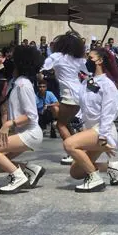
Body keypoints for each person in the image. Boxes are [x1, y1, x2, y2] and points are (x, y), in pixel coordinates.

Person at [63, 48, 118, 192]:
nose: (86, 61)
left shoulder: (108, 85)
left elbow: (108, 113)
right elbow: (84, 108)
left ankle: (95, 178)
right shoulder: (86, 83)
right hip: (90, 131)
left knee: (69, 144)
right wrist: (77, 119)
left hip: (104, 131)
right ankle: (113, 167)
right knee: (76, 172)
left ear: (100, 61)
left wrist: (103, 137)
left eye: (90, 57)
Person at [0, 45, 45, 194]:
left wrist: (9, 124)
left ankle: (18, 177)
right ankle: (30, 170)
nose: (8, 59)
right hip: (22, 131)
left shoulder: (23, 84)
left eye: (11, 58)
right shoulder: (17, 82)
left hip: (31, 133)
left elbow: (31, 115)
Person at [41, 32, 88, 165]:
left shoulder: (56, 56)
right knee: (66, 123)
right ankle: (76, 148)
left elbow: (42, 67)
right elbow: (88, 71)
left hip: (69, 95)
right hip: (80, 94)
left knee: (60, 124)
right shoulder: (78, 59)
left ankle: (73, 152)